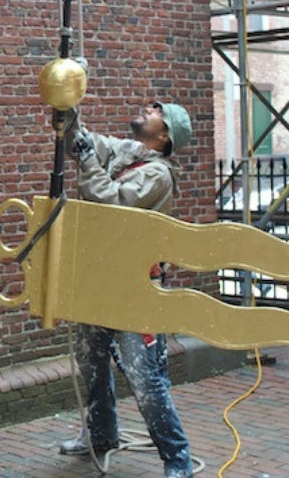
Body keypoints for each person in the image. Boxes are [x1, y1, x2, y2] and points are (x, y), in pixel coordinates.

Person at [59, 101, 194, 478]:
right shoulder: (125, 151)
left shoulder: (158, 175)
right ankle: (102, 434)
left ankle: (177, 457)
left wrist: (87, 163)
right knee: (91, 362)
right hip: (100, 280)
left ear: (164, 135)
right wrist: (68, 101)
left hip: (134, 289)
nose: (147, 107)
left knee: (144, 378)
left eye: (156, 110)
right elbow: (81, 142)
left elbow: (113, 203)